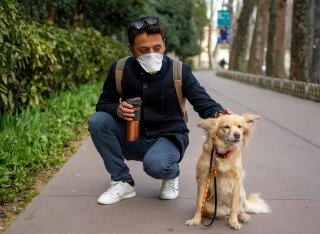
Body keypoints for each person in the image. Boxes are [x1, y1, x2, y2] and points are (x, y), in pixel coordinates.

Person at [88, 16, 231, 205]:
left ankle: (170, 175)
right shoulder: (120, 69)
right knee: (97, 121)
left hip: (169, 137)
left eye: (157, 48)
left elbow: (203, 102)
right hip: (133, 136)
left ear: (164, 44)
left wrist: (220, 115)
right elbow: (103, 104)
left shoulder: (179, 71)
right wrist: (117, 109)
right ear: (131, 49)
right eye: (144, 50)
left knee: (156, 165)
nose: (152, 54)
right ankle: (122, 181)